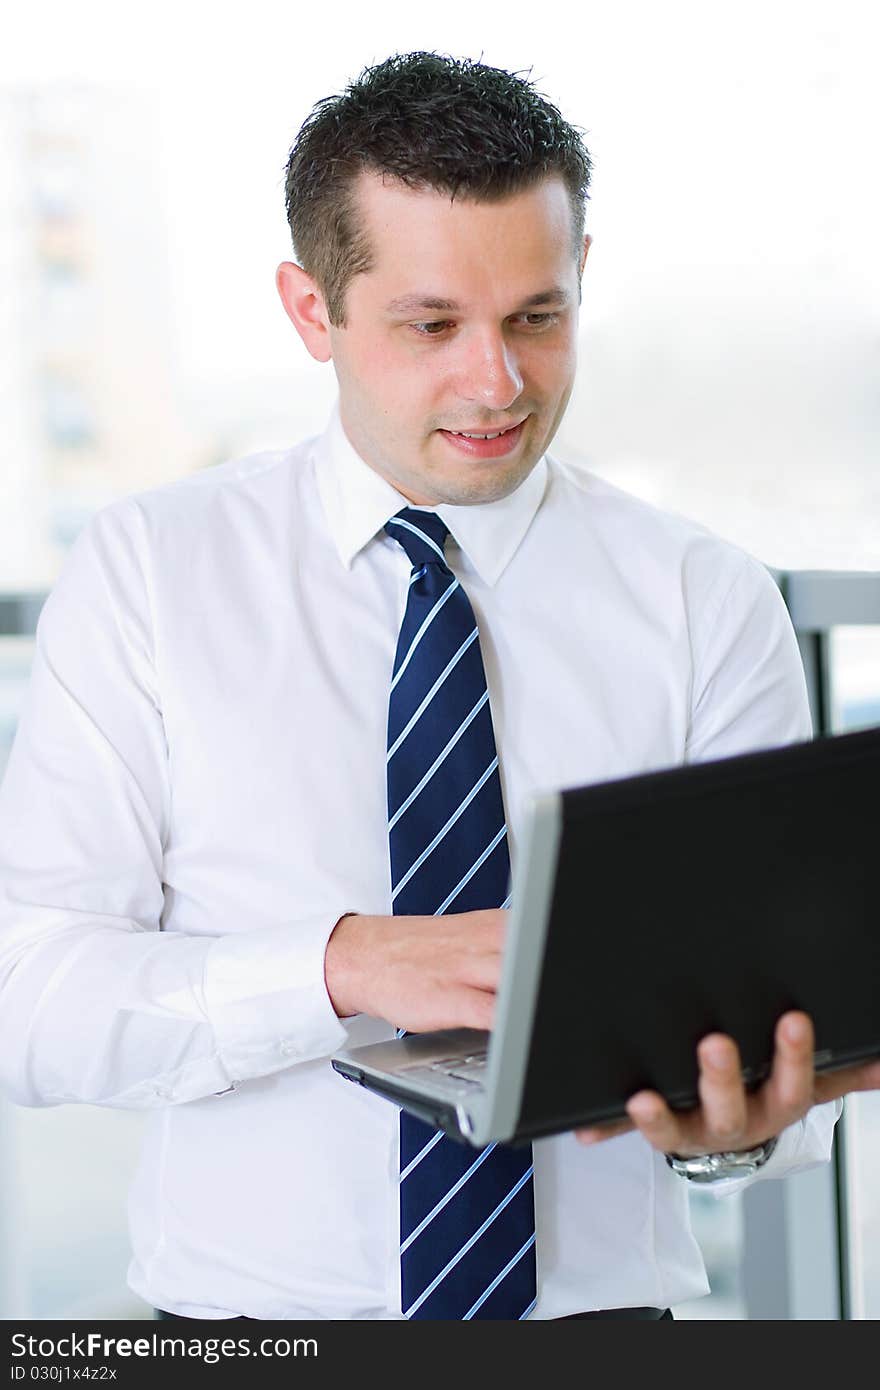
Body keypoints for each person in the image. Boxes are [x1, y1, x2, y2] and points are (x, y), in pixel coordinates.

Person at [0, 51, 877, 1325]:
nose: (497, 382)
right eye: (430, 325)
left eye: (537, 314)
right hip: (250, 1338)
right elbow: (32, 1009)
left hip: (601, 1329)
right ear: (312, 313)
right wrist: (348, 966)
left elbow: (772, 1054)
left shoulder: (705, 596)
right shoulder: (148, 574)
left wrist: (735, 1129)